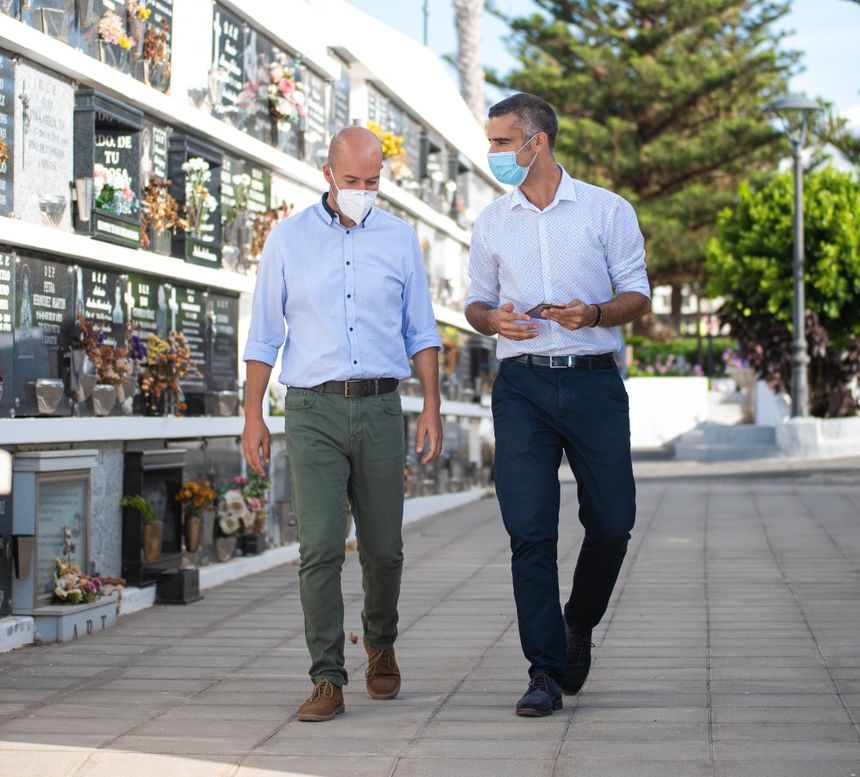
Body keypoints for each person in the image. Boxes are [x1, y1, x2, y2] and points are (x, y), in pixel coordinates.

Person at [242, 126, 443, 722]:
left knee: (384, 549)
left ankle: (380, 644)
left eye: (372, 180)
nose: (362, 189)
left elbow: (421, 330)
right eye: (352, 179)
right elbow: (263, 335)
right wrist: (253, 415)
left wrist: (431, 405)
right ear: (327, 174)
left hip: (380, 407)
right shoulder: (287, 239)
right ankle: (327, 676)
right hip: (312, 411)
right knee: (321, 547)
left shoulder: (400, 239)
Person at [465, 93, 651, 717]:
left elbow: (637, 294)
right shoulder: (492, 223)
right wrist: (492, 320)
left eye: (501, 142)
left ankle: (579, 622)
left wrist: (592, 314)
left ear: (536, 141)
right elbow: (476, 302)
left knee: (613, 522)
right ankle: (544, 670)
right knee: (529, 530)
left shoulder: (607, 210)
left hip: (594, 382)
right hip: (522, 388)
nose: (493, 152)